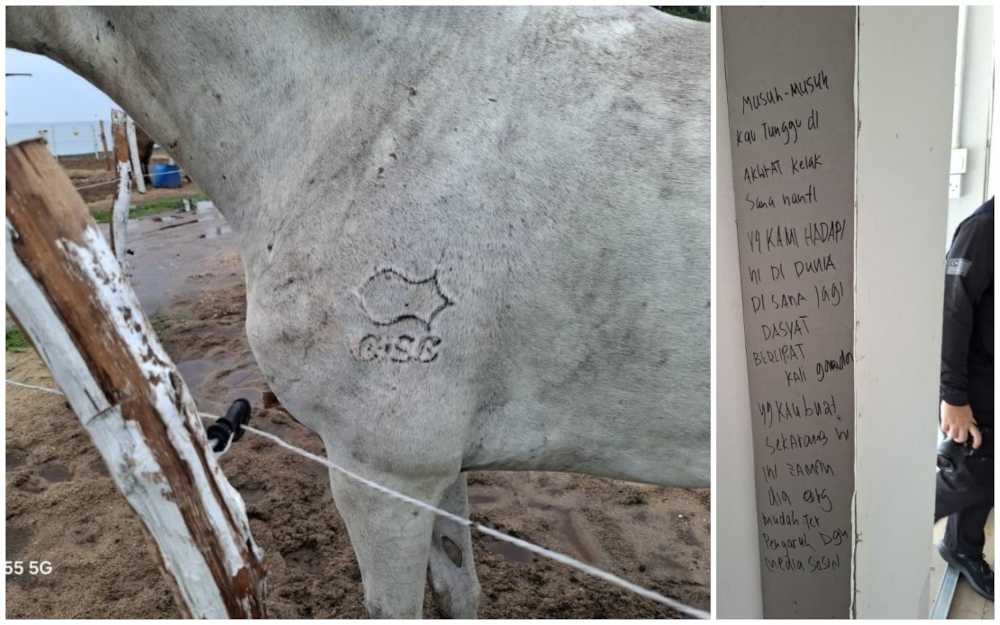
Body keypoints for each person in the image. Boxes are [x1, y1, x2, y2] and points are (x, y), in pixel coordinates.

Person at [935, 196, 994, 602]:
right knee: (975, 471)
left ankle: (962, 547)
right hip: (976, 381)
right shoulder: (985, 228)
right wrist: (952, 396)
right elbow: (952, 310)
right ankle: (876, 529)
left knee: (982, 469)